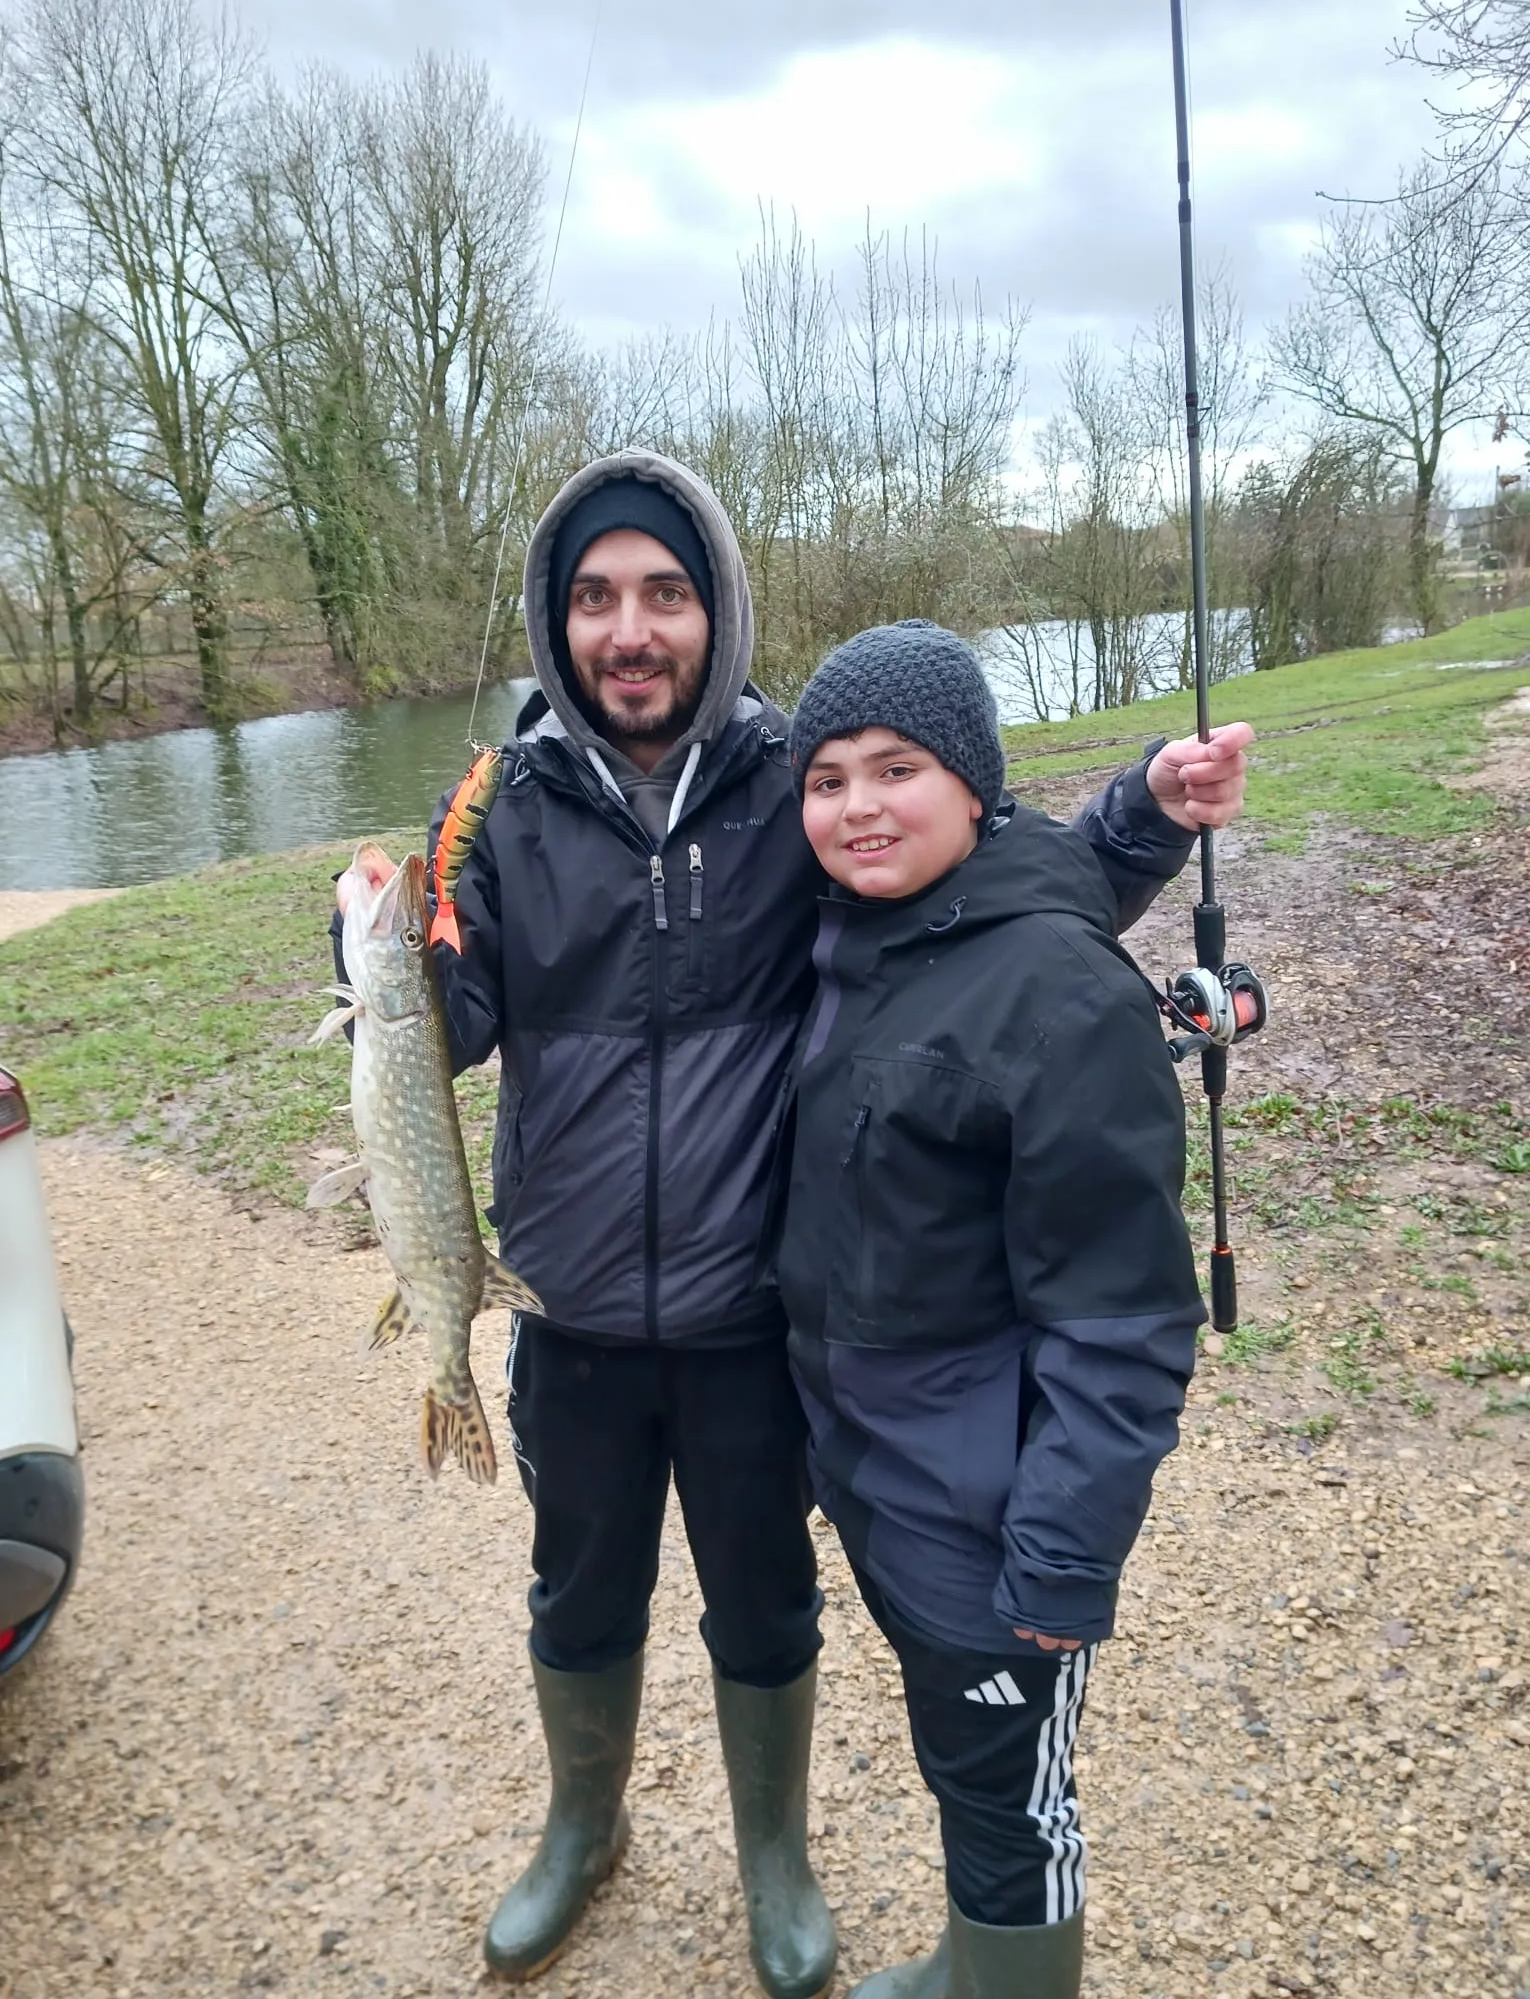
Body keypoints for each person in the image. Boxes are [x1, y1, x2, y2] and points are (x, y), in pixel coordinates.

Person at [333, 452, 1251, 1995]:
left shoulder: (791, 783)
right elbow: (456, 1009)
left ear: (718, 614)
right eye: (595, 599)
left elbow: (980, 894)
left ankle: (778, 1855)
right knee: (577, 1586)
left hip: (751, 1319)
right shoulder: (503, 799)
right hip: (564, 1311)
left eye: (666, 595)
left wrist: (1143, 818)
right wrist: (378, 962)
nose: (632, 630)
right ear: (560, 628)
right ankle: (582, 1825)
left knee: (763, 1597)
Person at [776, 621, 1211, 1999]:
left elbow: (1126, 1324)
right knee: (960, 1772)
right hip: (879, 1473)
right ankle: (975, 1964)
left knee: (1013, 1806)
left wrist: (1063, 1559)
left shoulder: (1068, 1000)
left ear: (974, 783)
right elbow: (1059, 876)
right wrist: (1140, 817)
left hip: (991, 1511)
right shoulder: (869, 927)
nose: (855, 808)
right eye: (825, 779)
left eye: (894, 769)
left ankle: (1010, 1968)